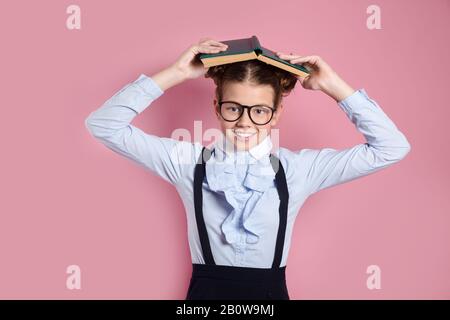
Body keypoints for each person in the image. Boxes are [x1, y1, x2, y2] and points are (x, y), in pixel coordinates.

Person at [85, 37, 411, 300]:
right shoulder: (186, 163)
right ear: (216, 106)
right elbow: (103, 125)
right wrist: (177, 73)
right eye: (233, 108)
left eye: (259, 110)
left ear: (277, 112)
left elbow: (391, 147)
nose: (244, 121)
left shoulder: (298, 171)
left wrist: (333, 85)